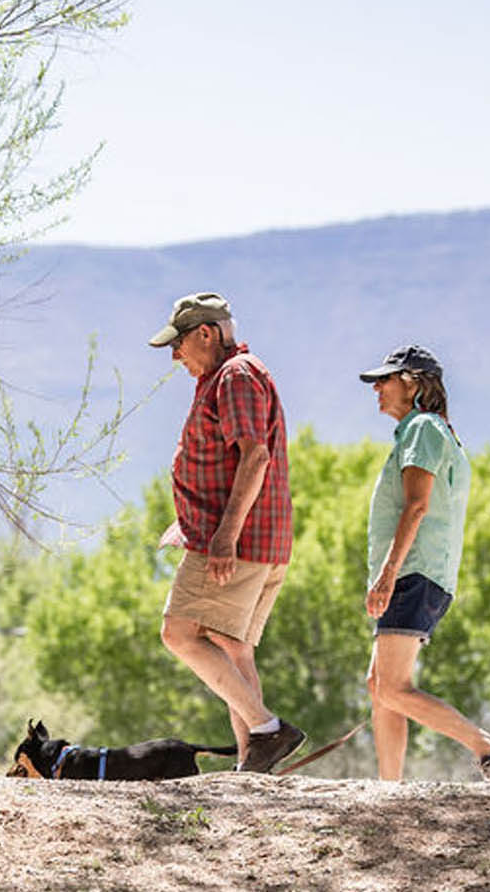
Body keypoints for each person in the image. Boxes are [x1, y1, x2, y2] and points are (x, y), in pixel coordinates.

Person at [147, 292, 306, 773]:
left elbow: (254, 455)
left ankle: (265, 729)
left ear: (206, 333)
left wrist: (223, 535)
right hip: (259, 540)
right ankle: (251, 764)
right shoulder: (228, 376)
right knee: (232, 645)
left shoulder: (235, 376)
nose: (176, 356)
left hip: (236, 542)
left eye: (179, 344)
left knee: (178, 633)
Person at [357, 344, 490, 782]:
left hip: (413, 573)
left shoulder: (423, 429)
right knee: (381, 688)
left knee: (392, 687)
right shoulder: (429, 430)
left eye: (386, 379)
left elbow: (416, 506)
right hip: (417, 573)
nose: (377, 388)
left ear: (411, 383)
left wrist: (387, 575)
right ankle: (388, 788)